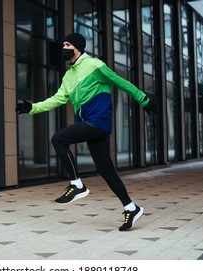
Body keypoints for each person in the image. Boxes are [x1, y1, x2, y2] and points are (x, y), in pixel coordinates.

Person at [16, 33, 157, 231]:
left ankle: (77, 185)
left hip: (98, 122)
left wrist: (144, 100)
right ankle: (131, 208)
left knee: (58, 139)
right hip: (90, 125)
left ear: (78, 47)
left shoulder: (94, 65)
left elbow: (120, 82)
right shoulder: (69, 75)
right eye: (63, 44)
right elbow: (57, 99)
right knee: (105, 170)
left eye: (68, 44)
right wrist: (32, 108)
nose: (63, 47)